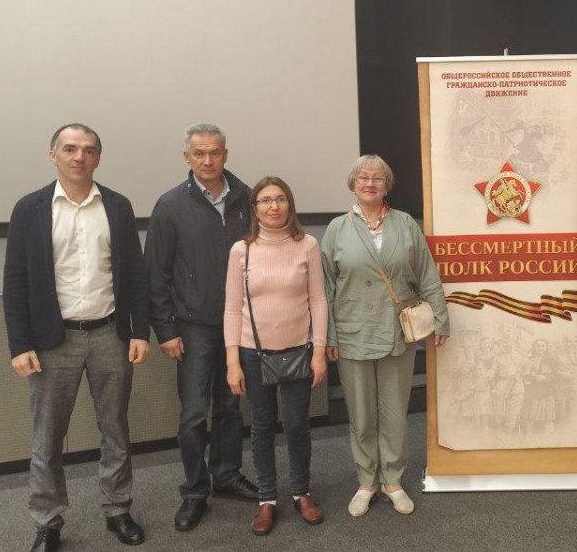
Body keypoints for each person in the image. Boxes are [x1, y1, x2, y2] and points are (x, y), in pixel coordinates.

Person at [3, 123, 151, 551]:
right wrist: (20, 345)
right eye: (69, 148)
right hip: (53, 341)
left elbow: (135, 273)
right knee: (47, 438)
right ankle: (48, 522)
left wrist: (139, 330)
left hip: (110, 335)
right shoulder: (29, 208)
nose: (78, 156)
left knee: (115, 430)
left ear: (98, 158)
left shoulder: (117, 206)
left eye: (88, 149)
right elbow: (15, 280)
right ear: (53, 155)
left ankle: (118, 509)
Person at [320, 155, 450, 517]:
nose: (370, 183)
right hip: (353, 332)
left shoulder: (405, 224)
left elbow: (427, 274)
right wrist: (329, 335)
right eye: (363, 177)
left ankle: (393, 481)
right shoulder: (337, 229)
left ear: (386, 185)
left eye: (377, 178)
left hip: (396, 332)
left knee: (394, 413)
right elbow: (325, 288)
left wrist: (440, 319)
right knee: (361, 415)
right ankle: (366, 482)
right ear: (353, 183)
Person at [144, 123, 259, 531]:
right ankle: (195, 490)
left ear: (225, 154)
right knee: (194, 413)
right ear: (187, 158)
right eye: (199, 154)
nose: (207, 161)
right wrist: (166, 330)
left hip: (239, 324)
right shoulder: (170, 205)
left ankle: (226, 474)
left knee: (230, 407)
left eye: (214, 153)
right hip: (192, 326)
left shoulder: (248, 199)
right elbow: (155, 273)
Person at [223, 177, 329, 535]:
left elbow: (318, 300)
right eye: (265, 200)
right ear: (254, 209)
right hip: (253, 354)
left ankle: (301, 492)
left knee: (297, 426)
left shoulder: (308, 245)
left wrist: (318, 351)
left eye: (280, 199)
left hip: (299, 351)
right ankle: (266, 499)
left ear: (290, 205)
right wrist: (232, 361)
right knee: (262, 427)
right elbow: (232, 308)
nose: (274, 206)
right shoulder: (241, 250)